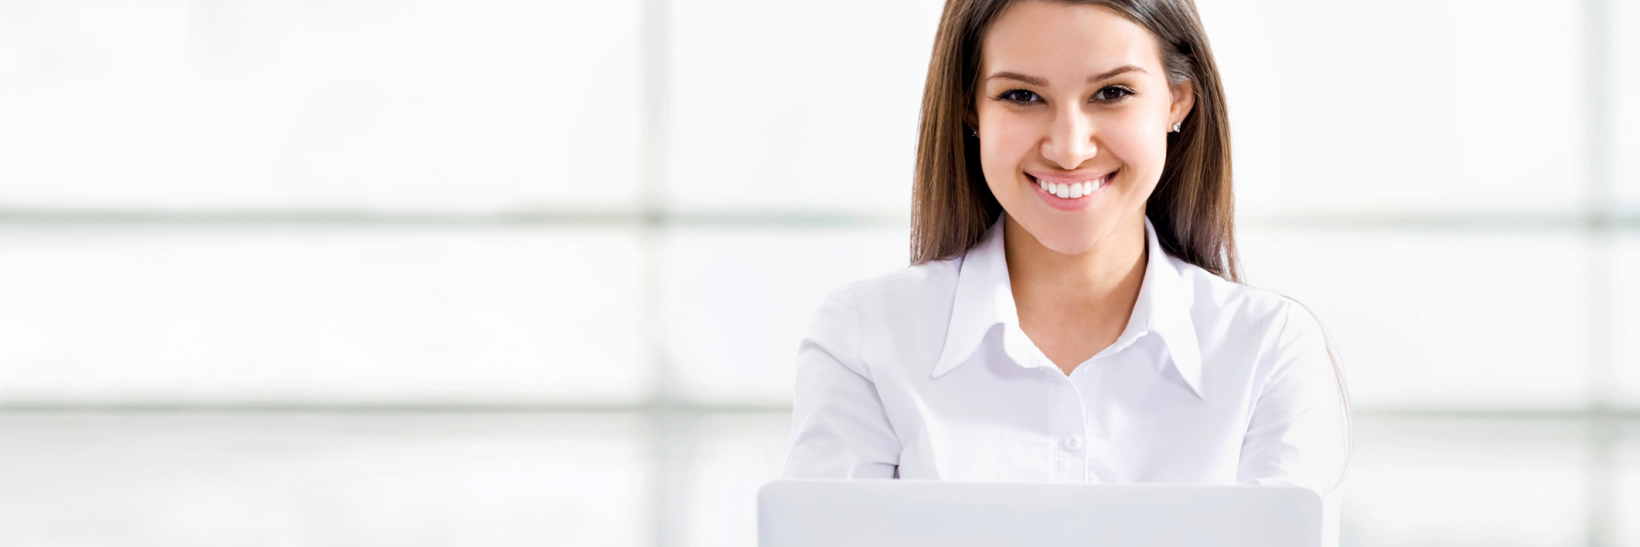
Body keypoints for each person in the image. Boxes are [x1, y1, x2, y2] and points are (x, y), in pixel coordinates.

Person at [783, 0, 1350, 495]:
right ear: (969, 109)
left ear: (1177, 99)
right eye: (1022, 95)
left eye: (1112, 92)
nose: (1069, 148)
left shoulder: (1269, 352)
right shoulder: (864, 341)